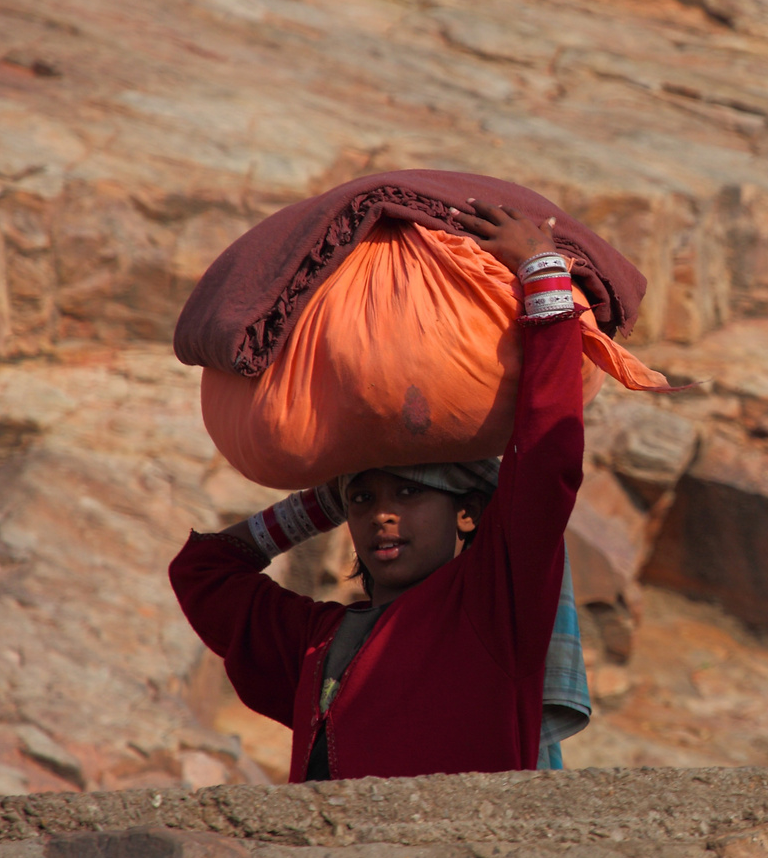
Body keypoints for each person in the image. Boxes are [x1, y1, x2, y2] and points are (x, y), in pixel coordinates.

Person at [170, 201, 587, 781]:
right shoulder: (314, 641)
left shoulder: (495, 609)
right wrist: (323, 500)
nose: (382, 518)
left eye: (410, 495)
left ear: (467, 513)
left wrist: (543, 273)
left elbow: (547, 456)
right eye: (364, 501)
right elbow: (203, 571)